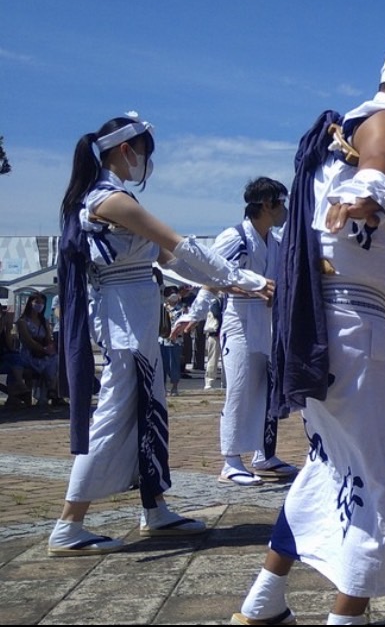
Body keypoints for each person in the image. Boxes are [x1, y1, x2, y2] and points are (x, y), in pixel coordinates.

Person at [232, 33, 385, 625]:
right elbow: (383, 153)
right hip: (355, 331)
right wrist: (368, 188)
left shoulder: (344, 132)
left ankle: (263, 600)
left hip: (331, 323)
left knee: (329, 468)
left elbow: (367, 256)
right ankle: (346, 617)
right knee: (382, 481)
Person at [54, 113, 272, 558]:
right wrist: (245, 281)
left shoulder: (113, 200)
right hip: (124, 325)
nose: (147, 163)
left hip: (134, 321)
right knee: (116, 417)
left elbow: (172, 259)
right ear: (125, 150)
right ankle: (68, 523)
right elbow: (181, 244)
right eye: (145, 153)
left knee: (148, 416)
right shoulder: (110, 201)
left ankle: (154, 507)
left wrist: (233, 281)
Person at [173, 177, 297, 487]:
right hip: (239, 322)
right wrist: (195, 314)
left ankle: (263, 453)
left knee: (267, 391)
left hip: (269, 324)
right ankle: (230, 460)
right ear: (266, 204)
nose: (284, 209)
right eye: (280, 203)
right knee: (239, 391)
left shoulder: (277, 242)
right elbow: (212, 277)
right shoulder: (235, 237)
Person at [16, 294, 62, 407]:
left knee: (56, 359)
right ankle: (52, 390)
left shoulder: (44, 321)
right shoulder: (22, 321)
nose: (39, 305)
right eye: (37, 302)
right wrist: (43, 350)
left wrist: (49, 347)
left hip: (43, 352)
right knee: (50, 362)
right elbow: (28, 341)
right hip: (29, 353)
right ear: (30, 302)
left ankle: (52, 390)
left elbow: (48, 338)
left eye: (42, 303)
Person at [158, 286, 185, 396]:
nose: (173, 296)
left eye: (175, 294)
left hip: (175, 341)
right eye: (170, 294)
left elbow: (183, 324)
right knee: (162, 365)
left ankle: (174, 387)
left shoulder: (181, 309)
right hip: (161, 340)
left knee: (174, 364)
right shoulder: (161, 309)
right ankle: (162, 387)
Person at [202, 294, 224, 390]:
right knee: (213, 359)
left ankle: (225, 382)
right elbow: (216, 314)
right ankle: (209, 382)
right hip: (215, 333)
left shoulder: (221, 300)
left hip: (222, 333)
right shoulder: (216, 301)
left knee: (225, 361)